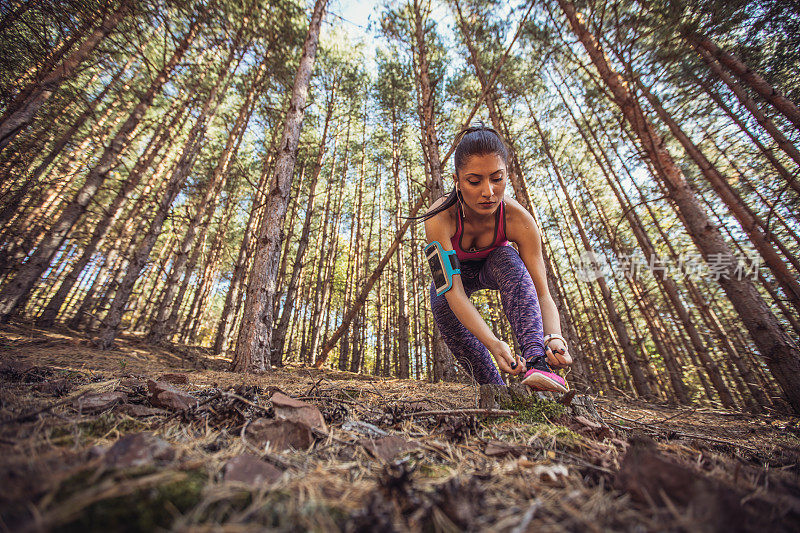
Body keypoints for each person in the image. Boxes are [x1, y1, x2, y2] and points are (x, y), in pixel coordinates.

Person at [421, 124, 572, 392]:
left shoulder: (519, 220)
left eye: (497, 178)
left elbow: (541, 293)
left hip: (496, 267)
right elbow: (452, 290)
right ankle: (496, 391)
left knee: (507, 258)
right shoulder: (438, 218)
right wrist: (493, 343)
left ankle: (538, 363)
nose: (488, 191)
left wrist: (554, 337)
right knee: (442, 301)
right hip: (456, 283)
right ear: (457, 180)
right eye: (474, 181)